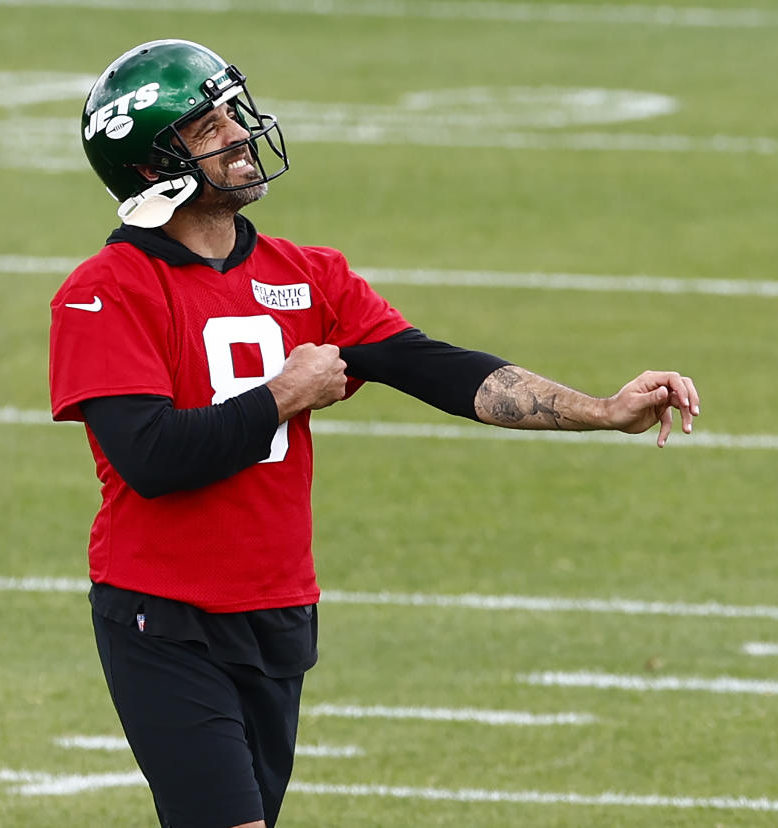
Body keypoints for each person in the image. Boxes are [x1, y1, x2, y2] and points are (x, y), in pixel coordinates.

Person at [48, 39, 700, 828]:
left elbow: (440, 370)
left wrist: (601, 409)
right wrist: (282, 396)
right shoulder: (103, 291)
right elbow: (148, 459)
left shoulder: (310, 274)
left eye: (231, 112)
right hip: (165, 615)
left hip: (279, 608)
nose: (237, 133)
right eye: (205, 125)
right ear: (154, 168)